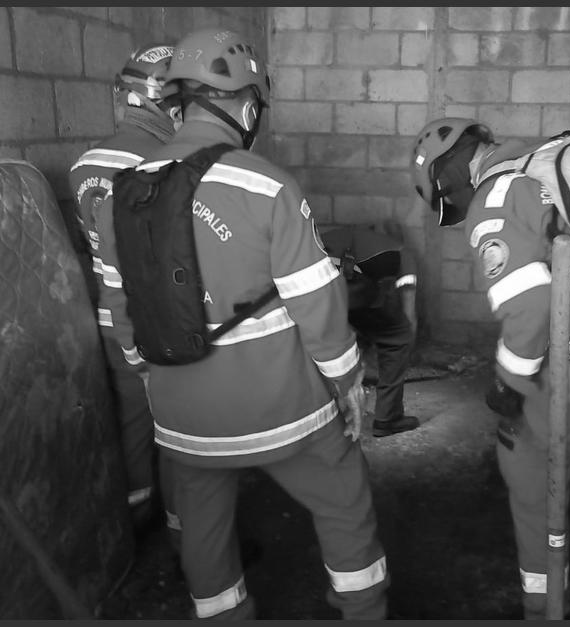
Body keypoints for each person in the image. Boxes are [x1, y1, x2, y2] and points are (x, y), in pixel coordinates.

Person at [96, 28, 388, 619]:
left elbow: (119, 303)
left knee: (203, 521)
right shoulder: (266, 183)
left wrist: (149, 379)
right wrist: (349, 380)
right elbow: (318, 303)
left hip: (181, 415)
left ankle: (226, 615)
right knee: (343, 498)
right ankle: (364, 610)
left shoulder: (119, 192)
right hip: (283, 409)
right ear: (247, 104)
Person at [411, 118, 570, 619]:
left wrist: (509, 382)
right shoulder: (560, 155)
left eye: (446, 200)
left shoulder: (497, 196)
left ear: (448, 177)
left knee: (527, 467)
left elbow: (528, 308)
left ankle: (543, 601)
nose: (456, 210)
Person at [68, 43, 182, 541]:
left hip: (111, 318)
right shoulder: (168, 163)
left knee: (134, 423)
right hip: (162, 322)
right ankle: (188, 537)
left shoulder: (83, 163)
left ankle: (135, 521)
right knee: (181, 434)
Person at [320, 224, 421, 438]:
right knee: (397, 337)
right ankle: (388, 419)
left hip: (312, 286)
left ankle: (324, 414)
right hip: (344, 282)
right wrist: (408, 345)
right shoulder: (404, 254)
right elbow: (409, 309)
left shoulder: (350, 237)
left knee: (349, 330)